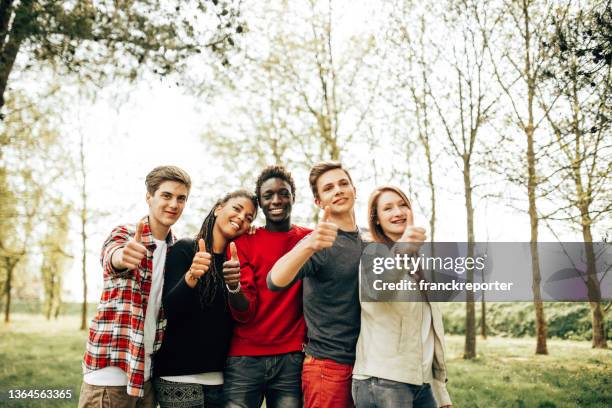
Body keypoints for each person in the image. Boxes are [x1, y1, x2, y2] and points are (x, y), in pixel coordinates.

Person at [79, 165, 192, 408]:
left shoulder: (178, 250)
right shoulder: (126, 234)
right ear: (149, 197)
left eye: (181, 198)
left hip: (146, 376)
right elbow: (113, 256)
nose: (174, 204)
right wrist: (122, 257)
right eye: (166, 195)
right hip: (110, 375)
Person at [268, 161, 363, 408]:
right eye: (329, 188)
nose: (339, 190)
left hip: (367, 366)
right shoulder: (318, 242)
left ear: (355, 189)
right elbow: (274, 280)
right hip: (328, 367)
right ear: (319, 203)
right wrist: (309, 245)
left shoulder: (369, 241)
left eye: (343, 184)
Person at [153, 190, 258, 408]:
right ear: (218, 208)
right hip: (179, 378)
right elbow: (169, 310)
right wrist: (191, 276)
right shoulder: (185, 249)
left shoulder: (237, 265)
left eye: (249, 218)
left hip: (221, 381)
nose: (241, 218)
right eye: (237, 209)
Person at [352, 185, 452, 408]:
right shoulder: (374, 253)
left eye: (403, 205)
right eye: (387, 208)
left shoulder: (423, 263)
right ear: (376, 219)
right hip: (383, 382)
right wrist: (402, 249)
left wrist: (440, 390)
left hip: (423, 384)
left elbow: (432, 330)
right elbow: (379, 291)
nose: (398, 212)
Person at [222, 165, 312, 408]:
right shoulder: (243, 243)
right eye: (268, 196)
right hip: (244, 359)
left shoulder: (310, 241)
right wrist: (233, 287)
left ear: (294, 196)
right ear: (260, 204)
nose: (276, 200)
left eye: (283, 193)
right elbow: (245, 311)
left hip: (291, 358)